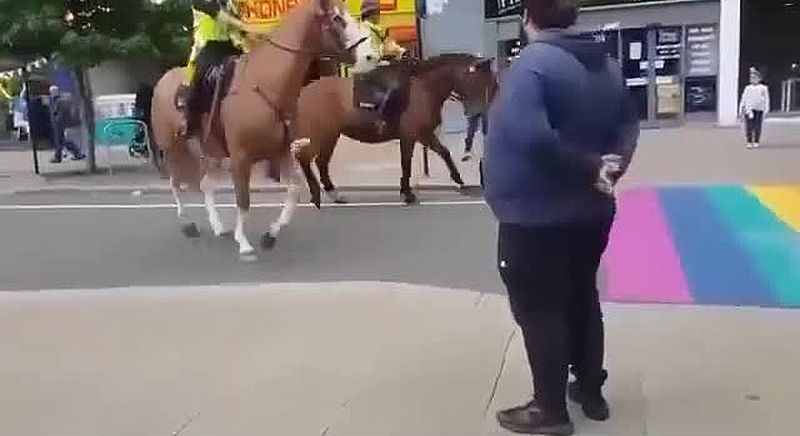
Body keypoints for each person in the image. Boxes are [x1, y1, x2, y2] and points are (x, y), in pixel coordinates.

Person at [483, 0, 639, 434]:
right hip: (591, 213)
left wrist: (591, 166)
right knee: (580, 297)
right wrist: (610, 167)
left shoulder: (532, 66)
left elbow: (531, 136)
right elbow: (628, 126)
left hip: (534, 217)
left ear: (527, 19)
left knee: (540, 312)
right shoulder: (606, 65)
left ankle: (549, 409)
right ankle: (589, 389)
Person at [48, 85, 85, 163]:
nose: (51, 93)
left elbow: (55, 111)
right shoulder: (63, 99)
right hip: (62, 122)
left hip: (58, 122)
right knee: (62, 141)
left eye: (51, 92)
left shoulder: (57, 100)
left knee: (59, 140)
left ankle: (59, 157)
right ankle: (77, 153)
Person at [739, 67, 769, 149]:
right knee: (749, 126)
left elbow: (766, 99)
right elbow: (743, 98)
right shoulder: (747, 88)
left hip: (759, 109)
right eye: (751, 78)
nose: (753, 79)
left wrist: (766, 109)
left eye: (755, 77)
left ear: (759, 79)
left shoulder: (763, 88)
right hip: (749, 109)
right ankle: (749, 141)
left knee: (757, 126)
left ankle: (756, 141)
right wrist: (741, 108)